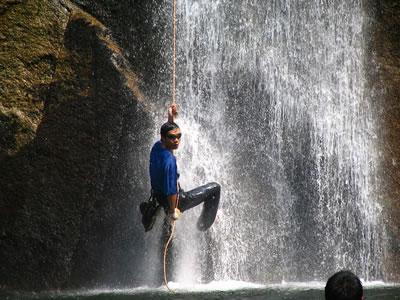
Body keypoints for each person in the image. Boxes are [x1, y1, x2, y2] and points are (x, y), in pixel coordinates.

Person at [141, 103, 220, 232]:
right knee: (215, 188)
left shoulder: (157, 146)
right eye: (173, 138)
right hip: (174, 200)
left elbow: (169, 134)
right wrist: (173, 211)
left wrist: (170, 118)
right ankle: (202, 226)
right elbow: (171, 190)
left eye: (179, 136)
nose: (176, 140)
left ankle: (162, 217)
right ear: (164, 138)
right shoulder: (170, 162)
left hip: (157, 196)